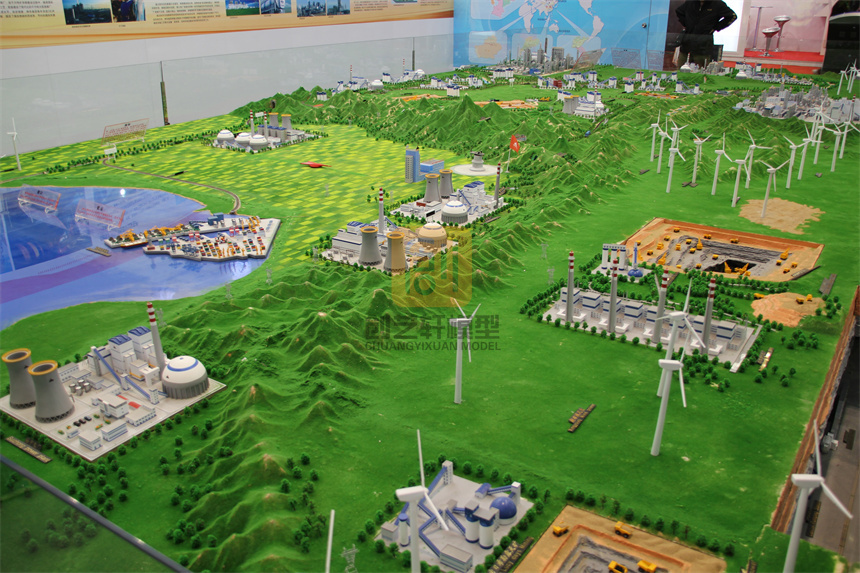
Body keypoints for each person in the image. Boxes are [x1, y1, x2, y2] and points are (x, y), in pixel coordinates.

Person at [676, 0, 737, 67]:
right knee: (681, 68)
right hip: (687, 44)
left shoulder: (717, 4)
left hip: (703, 45)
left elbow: (732, 16)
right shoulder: (690, 2)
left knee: (700, 69)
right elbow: (679, 11)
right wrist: (687, 25)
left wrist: (716, 27)